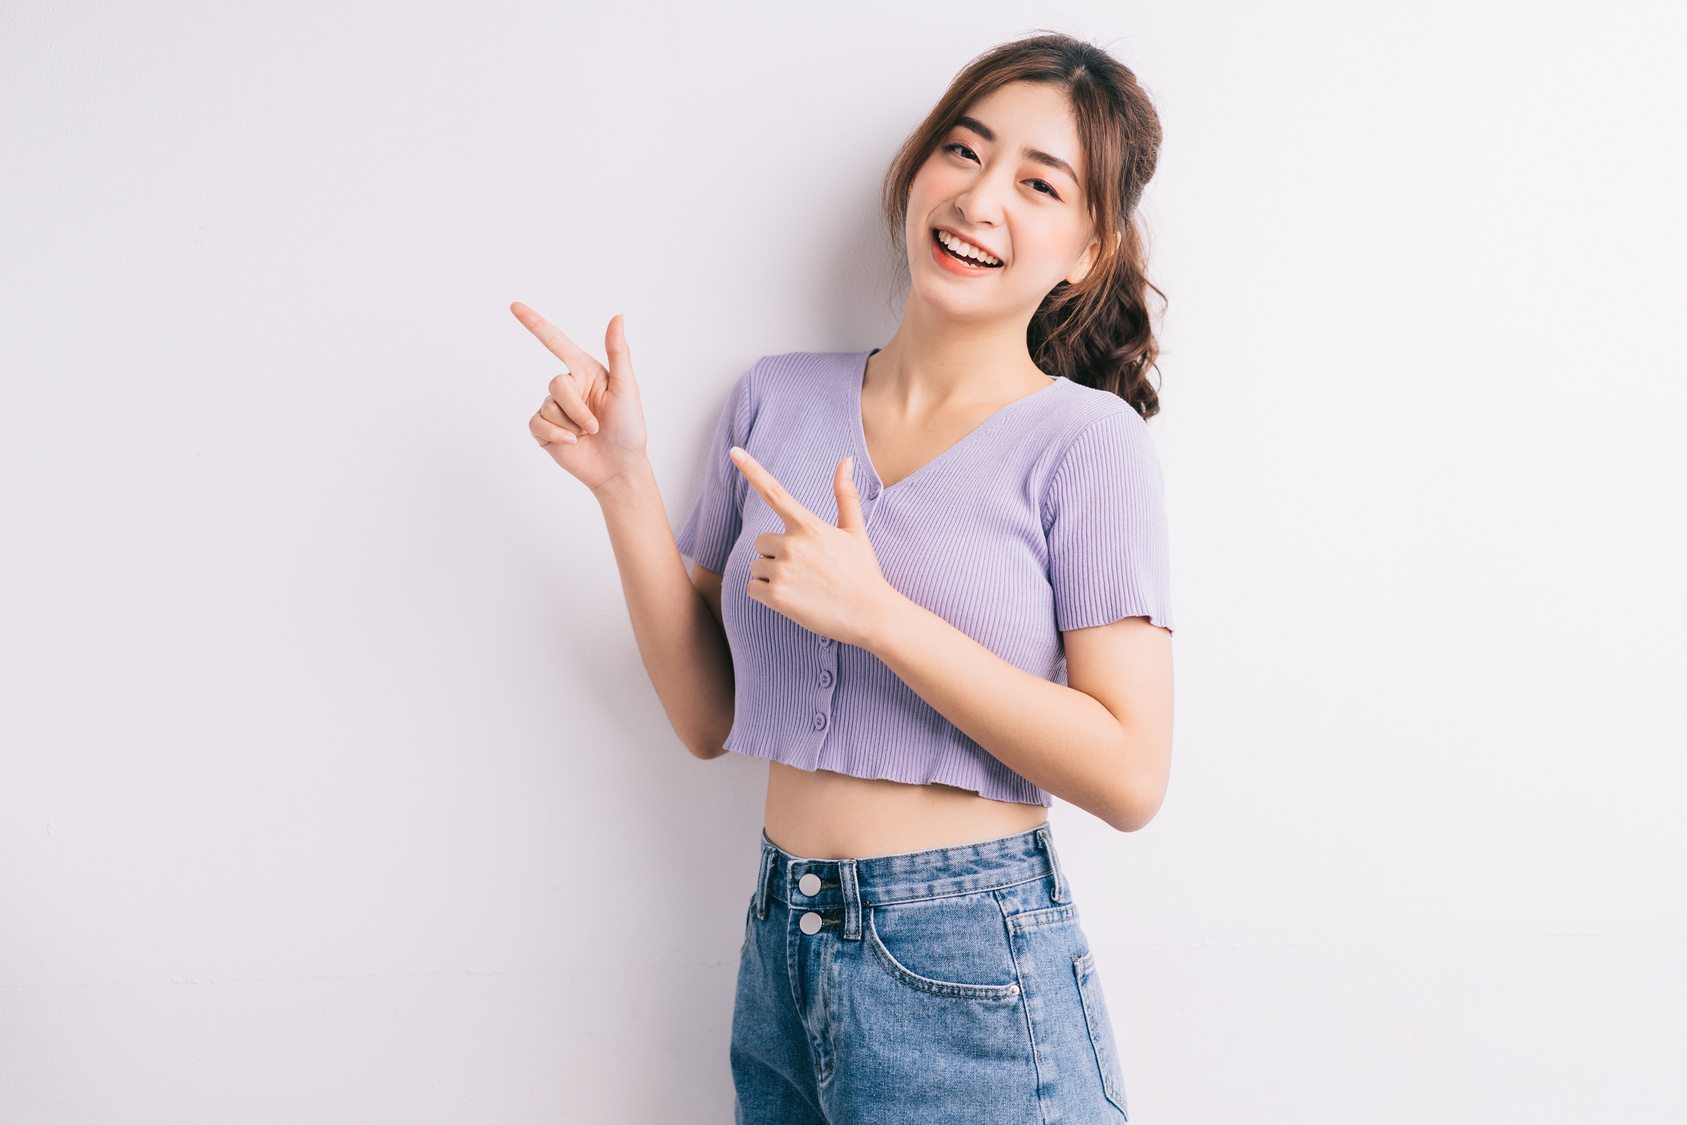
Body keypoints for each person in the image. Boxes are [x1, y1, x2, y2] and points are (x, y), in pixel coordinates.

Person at [515, 32, 1171, 1125]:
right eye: (962, 152)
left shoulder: (1086, 444)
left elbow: (1131, 774)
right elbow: (706, 717)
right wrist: (622, 482)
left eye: (1037, 182)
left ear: (1088, 250)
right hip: (782, 946)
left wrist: (879, 618)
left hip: (971, 965)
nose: (978, 198)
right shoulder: (775, 398)